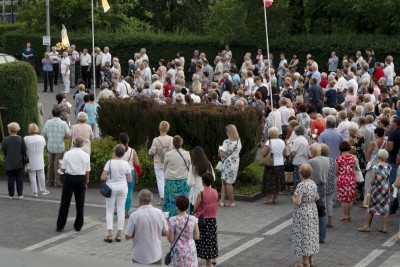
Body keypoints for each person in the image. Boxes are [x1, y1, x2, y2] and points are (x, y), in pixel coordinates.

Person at [125, 189, 169, 265]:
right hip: (156, 254)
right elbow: (166, 233)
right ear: (151, 200)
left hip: (139, 255)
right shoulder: (160, 213)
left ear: (139, 200)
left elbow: (127, 236)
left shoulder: (134, 215)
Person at [56, 137, 90, 232]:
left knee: (65, 202)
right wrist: (86, 182)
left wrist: (60, 166)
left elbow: (63, 169)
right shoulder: (86, 155)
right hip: (81, 178)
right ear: (82, 145)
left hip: (70, 178)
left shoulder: (68, 154)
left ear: (73, 143)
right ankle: (78, 225)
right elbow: (87, 171)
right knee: (80, 202)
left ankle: (60, 225)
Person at [100, 144, 132, 242]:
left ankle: (109, 234)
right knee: (121, 210)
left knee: (109, 210)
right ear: (123, 154)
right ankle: (119, 234)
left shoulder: (109, 163)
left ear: (114, 152)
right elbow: (130, 179)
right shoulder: (126, 164)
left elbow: (102, 177)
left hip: (111, 188)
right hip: (123, 188)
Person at [292, 164, 320, 267]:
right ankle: (311, 260)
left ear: (300, 173)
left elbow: (298, 202)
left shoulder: (301, 185)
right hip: (312, 210)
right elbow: (317, 197)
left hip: (303, 213)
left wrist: (293, 199)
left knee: (304, 236)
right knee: (311, 235)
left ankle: (305, 262)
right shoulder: (313, 183)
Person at [358, 149, 391, 233]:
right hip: (386, 190)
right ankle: (384, 227)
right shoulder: (389, 166)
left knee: (371, 208)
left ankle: (366, 226)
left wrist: (372, 186)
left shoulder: (375, 167)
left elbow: (372, 181)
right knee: (385, 208)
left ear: (378, 156)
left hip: (377, 190)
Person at [163, 135, 191, 217]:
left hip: (170, 180)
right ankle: (185, 217)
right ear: (181, 143)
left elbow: (165, 167)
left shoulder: (168, 154)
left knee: (170, 200)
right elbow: (189, 166)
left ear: (173, 143)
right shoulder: (186, 154)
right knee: (184, 199)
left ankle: (170, 217)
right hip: (183, 180)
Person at [194, 173, 218, 267]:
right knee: (211, 240)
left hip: (203, 221)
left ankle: (207, 263)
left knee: (202, 241)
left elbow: (195, 208)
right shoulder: (215, 191)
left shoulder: (201, 194)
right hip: (213, 220)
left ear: (203, 181)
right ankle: (212, 259)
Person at [167, 195, 200, 267]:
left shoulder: (172, 220)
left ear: (177, 206)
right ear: (188, 206)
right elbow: (197, 236)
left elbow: (171, 239)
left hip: (177, 250)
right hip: (190, 249)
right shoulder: (193, 219)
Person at [42, 107, 70, 188]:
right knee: (58, 165)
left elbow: (45, 133)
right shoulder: (63, 123)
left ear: (52, 113)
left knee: (50, 164)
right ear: (60, 114)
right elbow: (68, 135)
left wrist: (49, 139)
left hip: (50, 145)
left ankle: (49, 180)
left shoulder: (48, 122)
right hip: (60, 146)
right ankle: (57, 181)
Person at [308, 143, 329, 244]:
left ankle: (310, 234)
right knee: (322, 212)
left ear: (313, 151)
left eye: (310, 150)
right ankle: (322, 236)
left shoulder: (311, 161)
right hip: (323, 186)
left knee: (310, 211)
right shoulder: (327, 160)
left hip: (313, 187)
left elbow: (306, 174)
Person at [149, 121, 174, 206]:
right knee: (168, 180)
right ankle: (169, 198)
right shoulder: (171, 139)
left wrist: (150, 152)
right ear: (167, 129)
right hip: (168, 163)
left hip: (158, 163)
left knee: (160, 181)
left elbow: (152, 152)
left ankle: (162, 199)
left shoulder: (156, 140)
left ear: (160, 128)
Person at [219, 124, 242, 207]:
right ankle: (222, 201)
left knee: (227, 183)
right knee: (226, 182)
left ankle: (231, 202)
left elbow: (222, 154)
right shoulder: (238, 141)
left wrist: (219, 149)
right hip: (234, 163)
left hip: (227, 164)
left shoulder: (226, 142)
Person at [1, 122, 27, 199]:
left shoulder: (5, 139)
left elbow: (3, 150)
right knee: (19, 178)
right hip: (19, 161)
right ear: (17, 129)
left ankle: (11, 195)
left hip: (9, 161)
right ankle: (20, 195)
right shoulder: (21, 138)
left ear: (9, 130)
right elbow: (24, 150)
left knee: (10, 178)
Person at [261, 127, 286, 204]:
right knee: (277, 180)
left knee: (270, 181)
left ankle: (269, 199)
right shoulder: (282, 141)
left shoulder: (269, 142)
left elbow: (264, 154)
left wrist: (262, 150)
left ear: (270, 134)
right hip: (280, 163)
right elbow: (284, 153)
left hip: (272, 164)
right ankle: (275, 198)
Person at [119, 133, 140, 218]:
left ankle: (118, 209)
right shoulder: (132, 151)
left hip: (120, 172)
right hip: (130, 172)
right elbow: (137, 163)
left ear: (120, 141)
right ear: (128, 141)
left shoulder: (117, 149)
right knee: (129, 191)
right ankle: (126, 211)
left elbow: (113, 160)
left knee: (119, 191)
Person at [187, 146, 215, 212]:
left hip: (196, 191)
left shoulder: (193, 166)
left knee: (195, 212)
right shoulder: (208, 164)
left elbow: (190, 182)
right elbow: (213, 177)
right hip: (208, 189)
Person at [24, 123, 49, 197]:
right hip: (40, 158)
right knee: (41, 174)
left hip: (30, 159)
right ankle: (43, 189)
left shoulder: (26, 138)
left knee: (32, 175)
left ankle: (34, 191)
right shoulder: (41, 138)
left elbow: (24, 149)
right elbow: (44, 146)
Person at [335, 141, 357, 222]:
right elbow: (353, 169)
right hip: (351, 178)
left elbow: (336, 171)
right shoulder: (353, 158)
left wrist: (339, 175)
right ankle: (349, 215)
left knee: (344, 199)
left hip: (342, 179)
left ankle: (345, 215)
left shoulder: (339, 158)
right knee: (350, 198)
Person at [290, 126, 309, 191]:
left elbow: (294, 152)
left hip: (297, 161)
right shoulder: (305, 140)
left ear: (295, 132)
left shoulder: (296, 140)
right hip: (305, 161)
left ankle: (297, 192)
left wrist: (290, 151)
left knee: (297, 178)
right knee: (303, 177)